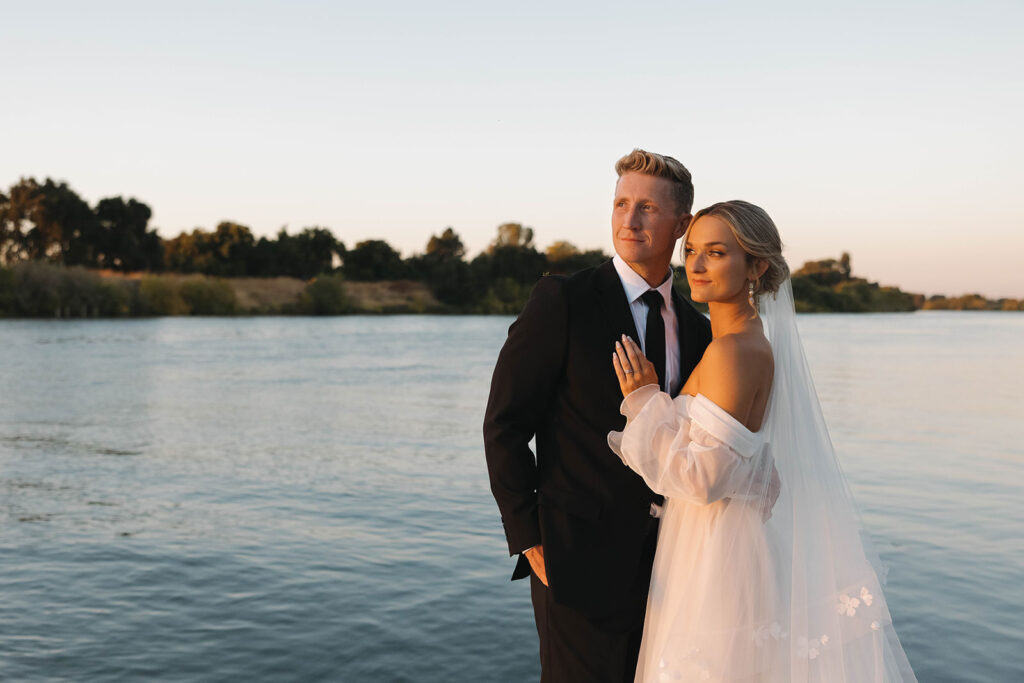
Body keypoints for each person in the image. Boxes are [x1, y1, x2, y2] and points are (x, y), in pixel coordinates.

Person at [609, 200, 918, 682]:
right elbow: (737, 451)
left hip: (717, 554)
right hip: (717, 541)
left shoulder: (734, 351)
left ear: (756, 266)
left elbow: (703, 479)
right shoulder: (739, 342)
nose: (696, 264)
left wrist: (646, 400)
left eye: (716, 252)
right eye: (691, 250)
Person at [483, 149, 712, 682]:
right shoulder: (562, 300)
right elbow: (505, 424)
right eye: (621, 204)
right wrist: (529, 537)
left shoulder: (698, 331)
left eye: (647, 208)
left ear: (681, 224)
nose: (628, 220)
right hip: (575, 561)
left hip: (677, 567)